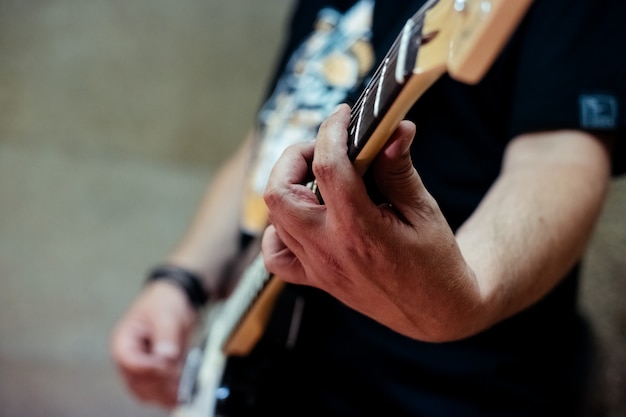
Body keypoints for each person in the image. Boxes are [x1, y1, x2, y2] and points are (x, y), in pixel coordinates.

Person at [111, 0, 626, 415]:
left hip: (436, 392)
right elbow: (273, 139)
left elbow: (558, 157)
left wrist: (466, 294)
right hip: (265, 373)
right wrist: (180, 280)